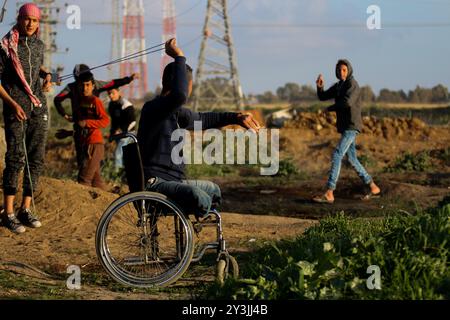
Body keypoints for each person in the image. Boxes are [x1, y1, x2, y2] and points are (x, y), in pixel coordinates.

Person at [137, 38, 261, 219]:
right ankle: (193, 230)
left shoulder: (175, 112)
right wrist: (179, 57)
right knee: (200, 198)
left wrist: (236, 117)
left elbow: (203, 119)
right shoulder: (155, 108)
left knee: (213, 190)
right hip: (155, 183)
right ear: (185, 85)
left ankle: (196, 228)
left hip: (174, 180)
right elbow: (179, 95)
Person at [0, 3, 53, 234]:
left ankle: (25, 209)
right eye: (26, 19)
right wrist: (12, 104)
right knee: (15, 157)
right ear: (19, 19)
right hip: (15, 107)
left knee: (36, 157)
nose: (30, 24)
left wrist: (47, 74)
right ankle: (8, 213)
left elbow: (34, 65)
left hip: (38, 106)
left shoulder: (39, 44)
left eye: (34, 20)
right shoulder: (5, 46)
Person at [313, 59, 381, 204]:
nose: (341, 72)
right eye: (338, 70)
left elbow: (347, 102)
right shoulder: (339, 85)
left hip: (351, 126)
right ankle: (372, 186)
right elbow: (323, 96)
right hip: (345, 127)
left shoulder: (352, 85)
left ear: (349, 70)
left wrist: (330, 109)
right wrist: (320, 87)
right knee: (352, 159)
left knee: (337, 154)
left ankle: (330, 192)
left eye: (344, 70)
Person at [54, 64, 138, 168]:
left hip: (92, 130)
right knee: (84, 160)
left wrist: (129, 79)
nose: (84, 88)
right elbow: (57, 99)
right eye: (81, 83)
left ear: (92, 84)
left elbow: (113, 83)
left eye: (87, 84)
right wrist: (65, 115)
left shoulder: (91, 92)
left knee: (89, 162)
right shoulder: (73, 87)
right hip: (81, 128)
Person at [75, 71, 110, 189]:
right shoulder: (81, 101)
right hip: (86, 143)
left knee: (84, 178)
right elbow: (80, 125)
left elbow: (105, 121)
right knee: (96, 181)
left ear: (93, 86)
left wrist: (87, 123)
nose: (85, 88)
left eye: (88, 85)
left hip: (94, 145)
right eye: (82, 85)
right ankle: (109, 200)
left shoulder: (95, 101)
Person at [106, 87, 136, 171]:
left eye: (113, 93)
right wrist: (112, 132)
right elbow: (114, 121)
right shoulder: (111, 105)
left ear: (119, 92)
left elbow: (132, 122)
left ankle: (117, 174)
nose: (111, 95)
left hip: (128, 134)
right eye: (109, 93)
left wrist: (121, 131)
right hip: (118, 134)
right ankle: (124, 173)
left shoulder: (126, 105)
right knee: (123, 155)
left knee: (118, 153)